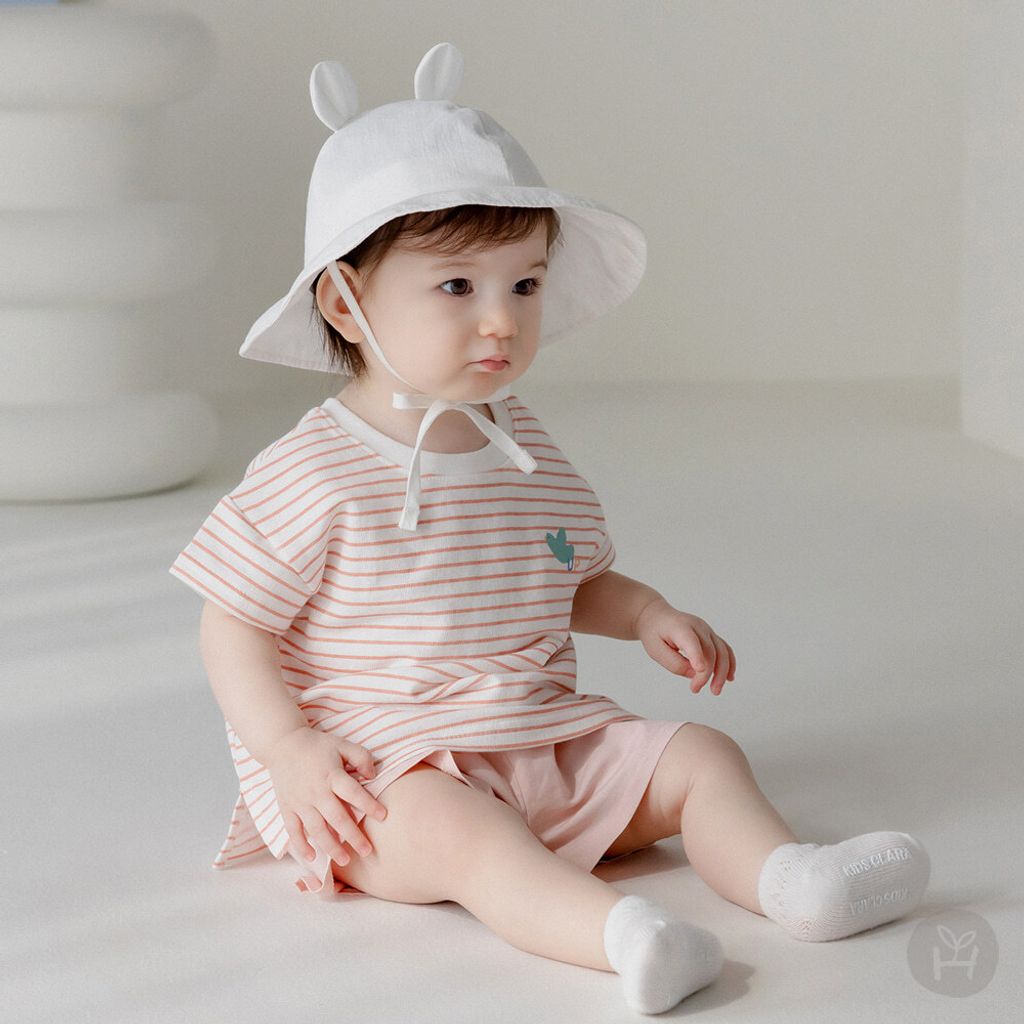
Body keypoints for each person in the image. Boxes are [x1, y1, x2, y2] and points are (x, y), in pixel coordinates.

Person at [169, 43, 931, 1015]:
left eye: (524, 286)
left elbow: (568, 576)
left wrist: (645, 612)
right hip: (383, 774)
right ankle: (627, 937)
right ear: (344, 304)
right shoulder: (315, 470)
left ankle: (793, 880)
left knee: (699, 757)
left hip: (538, 735)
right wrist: (289, 750)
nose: (502, 321)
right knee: (469, 838)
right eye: (457, 287)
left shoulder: (519, 444)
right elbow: (232, 622)